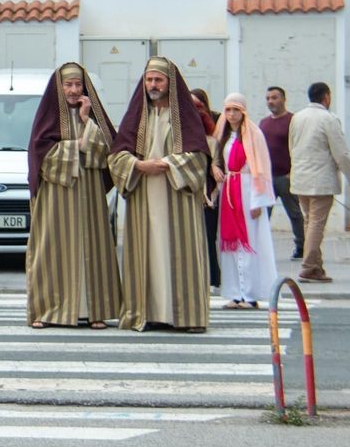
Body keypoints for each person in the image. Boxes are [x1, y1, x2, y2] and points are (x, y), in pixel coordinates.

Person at [107, 58, 211, 333]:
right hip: (144, 195)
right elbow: (116, 157)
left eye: (158, 80)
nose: (152, 85)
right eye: (149, 80)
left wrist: (166, 165)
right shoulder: (137, 116)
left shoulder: (185, 118)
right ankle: (148, 312)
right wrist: (139, 165)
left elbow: (200, 158)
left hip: (177, 198)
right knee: (148, 253)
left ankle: (187, 316)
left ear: (170, 83)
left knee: (180, 253)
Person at [25, 62, 122, 329]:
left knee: (93, 247)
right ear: (59, 86)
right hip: (56, 194)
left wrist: (86, 122)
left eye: (78, 84)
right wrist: (77, 147)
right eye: (68, 84)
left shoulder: (92, 118)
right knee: (52, 249)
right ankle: (46, 311)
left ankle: (95, 312)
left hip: (89, 194)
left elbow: (107, 153)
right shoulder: (47, 118)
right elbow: (40, 156)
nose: (73, 89)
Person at [288, 82, 350, 283]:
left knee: (310, 223)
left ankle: (316, 266)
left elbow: (291, 147)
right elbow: (341, 153)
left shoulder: (297, 117)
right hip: (321, 180)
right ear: (326, 97)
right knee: (316, 225)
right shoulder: (328, 119)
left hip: (300, 178)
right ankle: (309, 266)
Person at [210, 94, 276, 310]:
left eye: (235, 110)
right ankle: (235, 293)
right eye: (228, 110)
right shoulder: (223, 135)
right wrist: (216, 169)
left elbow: (261, 168)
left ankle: (250, 294)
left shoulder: (253, 134)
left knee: (249, 243)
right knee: (230, 242)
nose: (231, 114)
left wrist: (258, 200)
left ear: (243, 112)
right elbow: (216, 159)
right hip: (230, 189)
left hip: (247, 190)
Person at [259, 87, 307, 260]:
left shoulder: (292, 120)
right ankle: (262, 248)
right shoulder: (264, 123)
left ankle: (301, 246)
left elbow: (300, 147)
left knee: (294, 213)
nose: (270, 101)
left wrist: (292, 172)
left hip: (286, 177)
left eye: (274, 98)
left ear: (283, 99)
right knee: (264, 215)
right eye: (268, 98)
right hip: (267, 178)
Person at [189, 89, 222, 295]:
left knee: (208, 237)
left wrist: (213, 195)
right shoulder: (184, 140)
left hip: (208, 195)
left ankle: (213, 278)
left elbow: (217, 166)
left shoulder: (211, 141)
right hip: (189, 192)